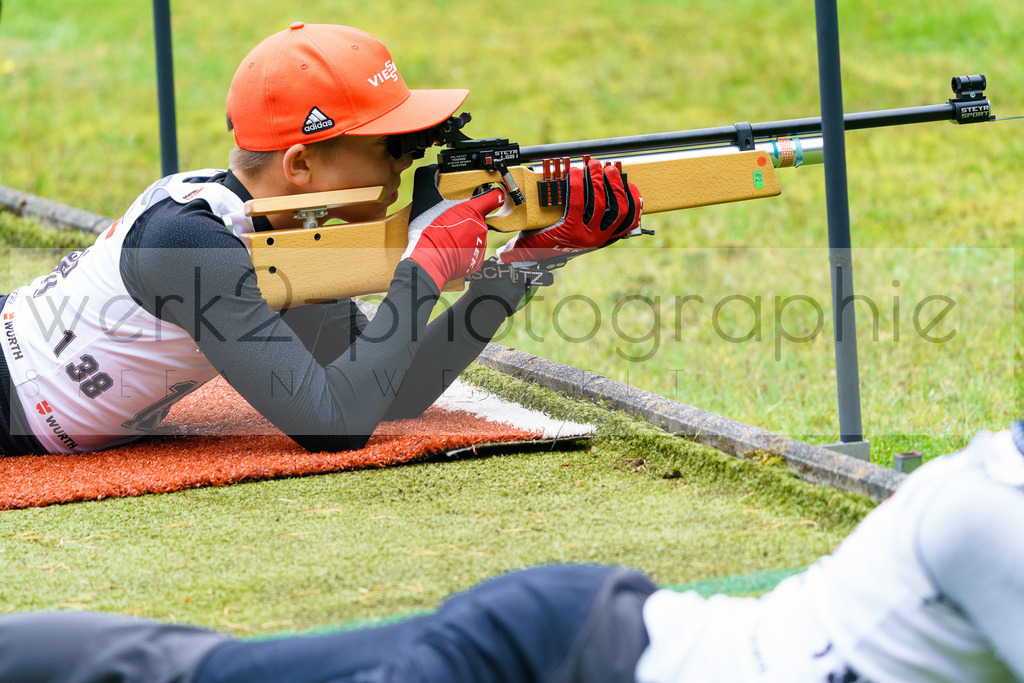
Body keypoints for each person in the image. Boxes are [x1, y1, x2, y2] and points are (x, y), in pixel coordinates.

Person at [0, 22, 641, 456]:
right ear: (300, 166)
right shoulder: (189, 244)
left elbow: (392, 394)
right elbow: (330, 428)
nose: (404, 165)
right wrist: (424, 267)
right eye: (392, 147)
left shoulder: (285, 233)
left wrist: (524, 263)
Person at [1, 423, 1021, 681]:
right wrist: (462, 262)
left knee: (205, 671)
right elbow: (339, 413)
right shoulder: (986, 509)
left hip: (578, 628)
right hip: (565, 656)